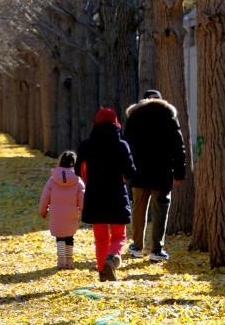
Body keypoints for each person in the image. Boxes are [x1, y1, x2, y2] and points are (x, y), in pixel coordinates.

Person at [122, 89, 186, 263]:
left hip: (139, 172)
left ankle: (137, 246)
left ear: (143, 100)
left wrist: (126, 171)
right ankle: (157, 249)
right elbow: (178, 146)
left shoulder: (134, 116)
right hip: (162, 173)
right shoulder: (168, 116)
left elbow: (126, 146)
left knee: (138, 209)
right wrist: (179, 172)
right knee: (161, 210)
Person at [75, 108, 135, 282]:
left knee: (100, 238)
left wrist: (89, 179)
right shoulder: (122, 145)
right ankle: (112, 257)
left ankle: (102, 271)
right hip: (117, 196)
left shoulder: (86, 145)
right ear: (116, 124)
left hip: (95, 197)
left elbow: (79, 170)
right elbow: (130, 172)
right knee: (119, 235)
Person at [39, 150, 85, 270]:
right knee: (69, 237)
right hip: (72, 213)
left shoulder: (52, 180)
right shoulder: (78, 181)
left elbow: (44, 197)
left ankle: (61, 260)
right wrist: (83, 211)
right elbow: (82, 198)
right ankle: (69, 261)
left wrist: (43, 211)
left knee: (59, 237)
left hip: (56, 214)